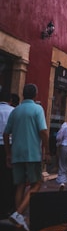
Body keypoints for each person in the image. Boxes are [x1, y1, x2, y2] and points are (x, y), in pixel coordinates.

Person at [3, 83, 50, 231]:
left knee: (20, 185)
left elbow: (5, 134)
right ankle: (18, 213)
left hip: (17, 153)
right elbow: (43, 131)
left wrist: (8, 152)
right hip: (32, 154)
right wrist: (47, 150)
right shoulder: (37, 109)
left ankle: (18, 220)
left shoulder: (16, 111)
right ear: (35, 94)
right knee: (36, 184)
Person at [0, 89, 15, 218]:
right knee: (8, 177)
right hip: (8, 146)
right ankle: (7, 207)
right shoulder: (13, 111)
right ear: (10, 100)